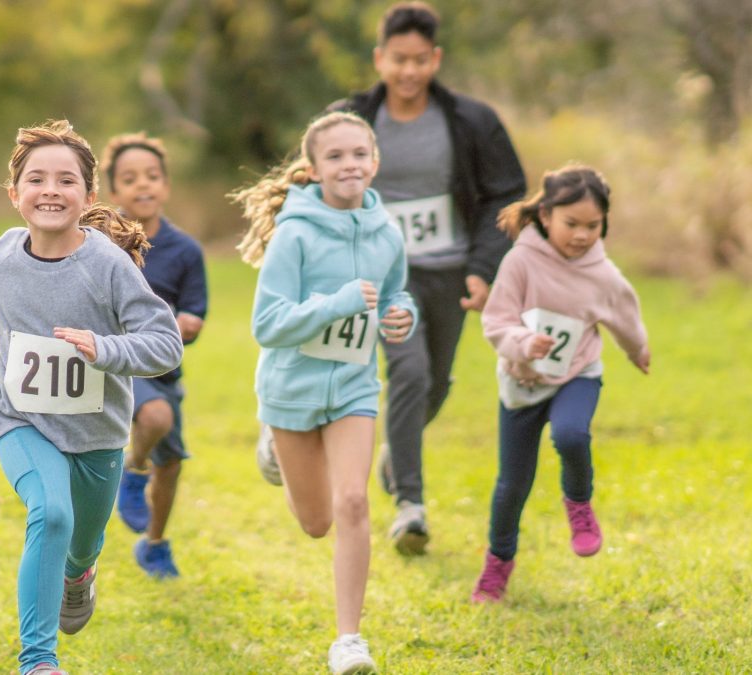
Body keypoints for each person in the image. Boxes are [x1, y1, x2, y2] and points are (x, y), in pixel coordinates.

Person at [0, 120, 183, 675]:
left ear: (89, 196)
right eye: (36, 178)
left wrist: (104, 348)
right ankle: (38, 661)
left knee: (82, 542)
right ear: (14, 194)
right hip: (21, 421)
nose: (50, 190)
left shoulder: (108, 267)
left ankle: (79, 576)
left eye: (66, 180)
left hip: (97, 436)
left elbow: (164, 345)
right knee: (52, 512)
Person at [327, 1, 527, 554]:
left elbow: (504, 195)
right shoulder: (351, 117)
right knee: (410, 370)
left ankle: (399, 447)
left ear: (435, 59)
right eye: (398, 60)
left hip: (450, 269)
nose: (409, 72)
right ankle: (410, 505)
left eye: (420, 60)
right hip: (387, 274)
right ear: (380, 58)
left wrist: (485, 268)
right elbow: (316, 185)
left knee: (436, 381)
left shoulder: (473, 121)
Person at [233, 111, 416, 675]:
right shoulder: (296, 233)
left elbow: (397, 293)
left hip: (355, 387)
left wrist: (399, 315)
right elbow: (267, 324)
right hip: (291, 389)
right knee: (315, 522)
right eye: (335, 157)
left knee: (354, 502)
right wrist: (336, 303)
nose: (349, 165)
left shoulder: (387, 232)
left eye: (359, 154)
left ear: (375, 161)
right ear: (314, 168)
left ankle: (349, 640)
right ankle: (274, 448)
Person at [470, 164, 650, 603]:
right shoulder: (520, 261)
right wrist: (522, 342)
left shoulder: (602, 273)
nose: (583, 235)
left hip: (577, 374)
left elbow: (624, 314)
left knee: (571, 434)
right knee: (512, 485)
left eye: (593, 225)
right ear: (546, 215)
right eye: (572, 224)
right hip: (523, 382)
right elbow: (496, 321)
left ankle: (579, 504)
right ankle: (498, 564)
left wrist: (637, 349)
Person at [101, 132, 208, 578]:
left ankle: (155, 543)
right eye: (130, 178)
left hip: (161, 365)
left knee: (173, 462)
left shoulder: (185, 250)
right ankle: (133, 467)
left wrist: (187, 324)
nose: (142, 185)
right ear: (113, 191)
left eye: (151, 177)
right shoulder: (98, 240)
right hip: (110, 362)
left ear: (165, 186)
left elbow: (194, 314)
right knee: (156, 418)